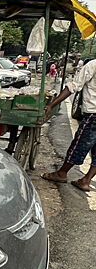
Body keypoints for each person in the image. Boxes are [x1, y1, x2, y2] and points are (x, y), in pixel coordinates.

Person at [41, 58, 96, 192]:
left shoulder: (93, 65)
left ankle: (62, 173)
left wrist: (51, 105)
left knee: (80, 144)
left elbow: (73, 86)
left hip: (93, 115)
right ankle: (85, 180)